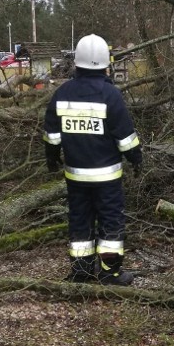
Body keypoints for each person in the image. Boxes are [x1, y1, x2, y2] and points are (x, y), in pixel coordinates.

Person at [42, 34, 142, 285]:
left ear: (77, 63)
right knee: (110, 223)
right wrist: (136, 159)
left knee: (80, 222)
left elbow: (52, 135)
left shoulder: (62, 93)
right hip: (107, 178)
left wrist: (51, 159)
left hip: (75, 176)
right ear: (106, 64)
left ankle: (82, 272)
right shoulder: (111, 95)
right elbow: (125, 137)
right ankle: (110, 273)